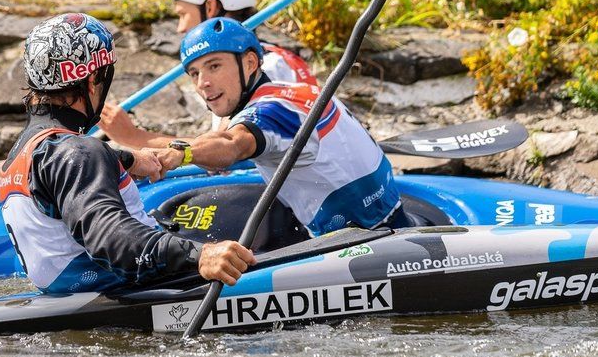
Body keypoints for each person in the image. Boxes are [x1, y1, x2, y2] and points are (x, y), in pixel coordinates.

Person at [0, 13, 256, 294]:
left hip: (73, 294)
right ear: (93, 79)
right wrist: (199, 255)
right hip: (130, 295)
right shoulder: (78, 152)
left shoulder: (25, 151)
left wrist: (129, 158)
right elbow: (109, 237)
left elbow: (62, 171)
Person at [154, 17, 411, 237]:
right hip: (390, 219)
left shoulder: (270, 111)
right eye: (194, 74)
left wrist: (181, 153)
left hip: (363, 244)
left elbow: (232, 145)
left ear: (250, 63)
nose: (203, 83)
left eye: (214, 66)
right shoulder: (292, 93)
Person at [99, 0, 315, 149]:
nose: (180, 28)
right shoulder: (269, 57)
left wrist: (133, 137)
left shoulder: (267, 67)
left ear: (210, 8)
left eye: (183, 14)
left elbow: (222, 152)